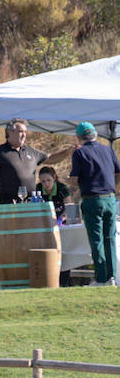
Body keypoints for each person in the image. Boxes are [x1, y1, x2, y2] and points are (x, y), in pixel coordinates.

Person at [69, 122, 120, 286]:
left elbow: (74, 180)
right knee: (109, 238)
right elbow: (118, 172)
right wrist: (113, 186)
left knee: (96, 240)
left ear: (79, 137)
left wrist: (73, 185)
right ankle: (111, 277)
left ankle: (101, 277)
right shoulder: (108, 149)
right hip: (110, 198)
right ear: (95, 134)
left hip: (92, 199)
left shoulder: (79, 153)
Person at [0, 119, 69, 206]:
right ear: (10, 132)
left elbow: (51, 158)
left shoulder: (30, 151)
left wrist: (68, 152)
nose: (24, 135)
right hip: (10, 205)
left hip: (31, 204)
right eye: (20, 132)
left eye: (25, 132)